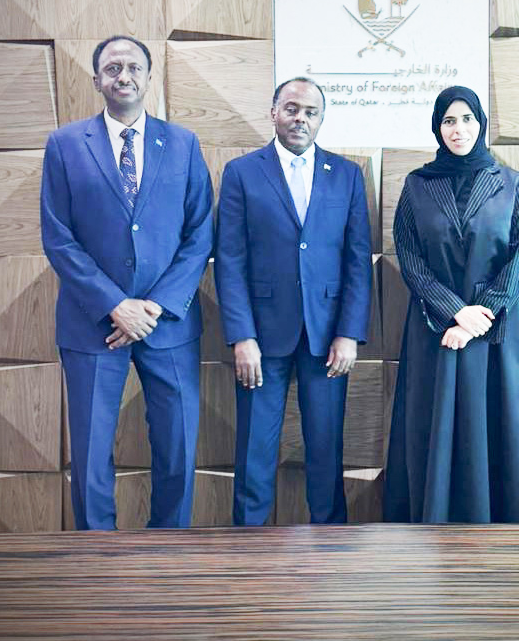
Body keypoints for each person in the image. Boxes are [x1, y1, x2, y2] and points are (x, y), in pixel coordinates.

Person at [41, 35, 214, 530]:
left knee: (177, 447)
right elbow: (58, 238)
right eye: (112, 68)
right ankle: (98, 559)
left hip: (170, 326)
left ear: (149, 75)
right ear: (97, 80)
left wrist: (154, 307)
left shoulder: (182, 144)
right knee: (92, 454)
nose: (124, 76)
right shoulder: (66, 145)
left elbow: (200, 233)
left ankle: (170, 551)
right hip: (93, 325)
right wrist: (115, 305)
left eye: (134, 66)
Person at [215, 76, 372, 525]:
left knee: (326, 449)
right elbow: (229, 260)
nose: (300, 118)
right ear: (273, 112)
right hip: (261, 338)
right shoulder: (242, 172)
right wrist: (241, 336)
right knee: (254, 451)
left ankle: (330, 548)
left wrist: (349, 333)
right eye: (291, 109)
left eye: (310, 112)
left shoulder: (346, 175)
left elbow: (358, 260)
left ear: (321, 119)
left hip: (327, 337)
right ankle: (248, 549)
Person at [383, 86, 519, 524]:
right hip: (434, 328)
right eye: (449, 121)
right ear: (437, 127)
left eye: (468, 119)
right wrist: (454, 310)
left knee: (495, 423)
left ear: (482, 124)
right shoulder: (417, 184)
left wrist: (476, 317)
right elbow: (409, 258)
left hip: (495, 334)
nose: (459, 129)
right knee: (433, 422)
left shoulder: (511, 184)